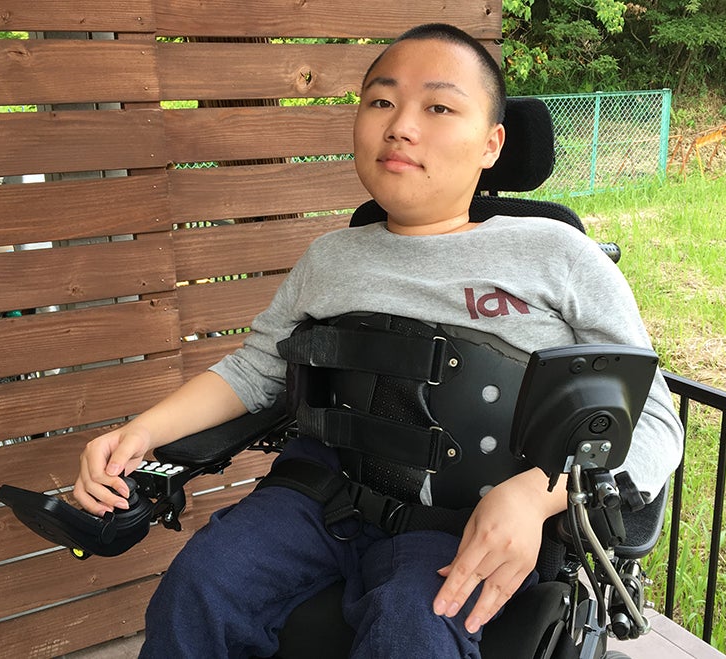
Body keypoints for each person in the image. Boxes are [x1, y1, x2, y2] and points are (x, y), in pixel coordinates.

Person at [74, 23, 683, 658]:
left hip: (467, 518)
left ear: (492, 143)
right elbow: (257, 370)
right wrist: (139, 432)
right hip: (320, 497)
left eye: (439, 107)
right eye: (381, 101)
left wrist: (537, 496)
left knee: (412, 630)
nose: (401, 126)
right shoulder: (330, 259)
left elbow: (652, 421)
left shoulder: (559, 256)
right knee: (199, 586)